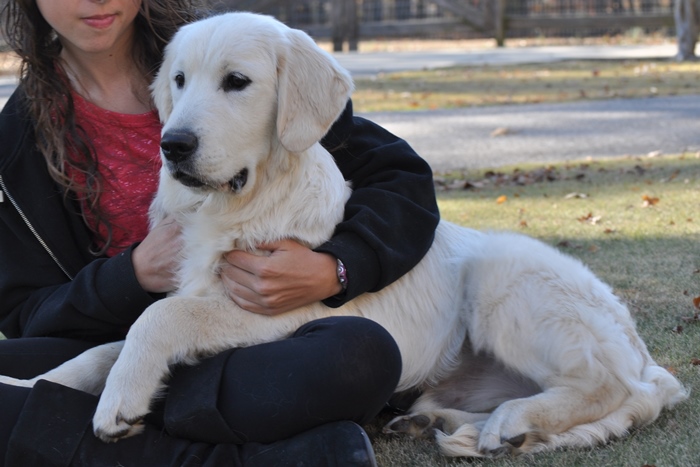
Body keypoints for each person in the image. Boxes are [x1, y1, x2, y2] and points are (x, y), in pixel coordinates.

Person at [0, 0, 440, 465]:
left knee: (359, 354)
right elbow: (27, 314)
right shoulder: (14, 138)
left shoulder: (223, 48)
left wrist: (337, 267)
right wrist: (131, 276)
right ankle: (247, 457)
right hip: (114, 338)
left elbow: (401, 181)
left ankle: (89, 419)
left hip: (254, 341)